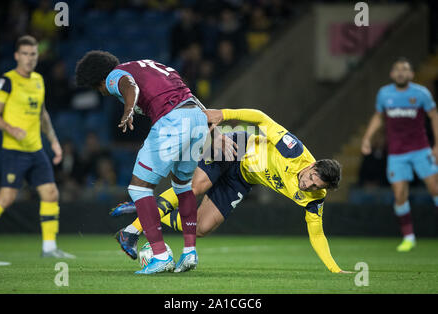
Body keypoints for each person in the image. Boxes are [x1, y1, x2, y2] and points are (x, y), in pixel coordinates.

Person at [112, 108, 352, 274]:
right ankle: (133, 230)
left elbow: (317, 234)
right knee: (196, 187)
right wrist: (224, 114)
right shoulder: (294, 151)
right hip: (237, 147)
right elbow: (260, 118)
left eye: (315, 186)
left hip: (243, 179)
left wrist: (335, 268)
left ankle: (146, 211)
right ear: (311, 166)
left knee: (202, 227)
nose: (307, 185)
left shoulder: (315, 198)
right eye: (311, 178)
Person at [75, 53, 209, 274]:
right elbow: (186, 92)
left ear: (98, 80)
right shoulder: (150, 65)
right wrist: (211, 126)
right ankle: (189, 253)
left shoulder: (114, 76)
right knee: (183, 187)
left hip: (172, 120)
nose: (102, 91)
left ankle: (161, 255)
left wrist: (128, 111)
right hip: (196, 117)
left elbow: (130, 87)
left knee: (138, 188)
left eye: (97, 88)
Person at [0, 35, 74, 258]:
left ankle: (49, 248)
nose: (29, 58)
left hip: (36, 150)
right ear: (17, 56)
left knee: (51, 193)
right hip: (15, 150)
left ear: (37, 56)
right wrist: (11, 128)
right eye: (24, 54)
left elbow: (43, 114)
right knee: (6, 198)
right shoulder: (6, 81)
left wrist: (54, 142)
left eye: (33, 54)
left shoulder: (38, 80)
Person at [361, 57, 438, 252]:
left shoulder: (421, 94)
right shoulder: (384, 94)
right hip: (396, 153)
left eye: (405, 70)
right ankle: (408, 237)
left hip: (421, 149)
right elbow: (378, 117)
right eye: (397, 69)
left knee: (434, 189)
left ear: (411, 74)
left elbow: (434, 115)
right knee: (399, 194)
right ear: (392, 74)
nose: (401, 73)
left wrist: (437, 145)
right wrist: (367, 138)